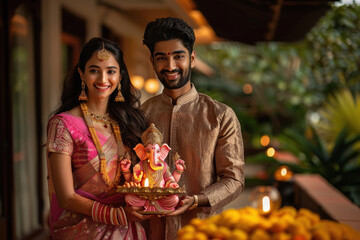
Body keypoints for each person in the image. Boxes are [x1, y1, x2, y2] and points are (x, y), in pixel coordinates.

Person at [140, 17, 245, 239]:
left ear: (193, 58)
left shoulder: (220, 116)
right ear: (152, 61)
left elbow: (234, 179)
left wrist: (197, 200)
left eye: (179, 56)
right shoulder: (141, 115)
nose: (170, 66)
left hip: (202, 231)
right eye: (161, 58)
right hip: (149, 231)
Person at [46, 37, 150, 239]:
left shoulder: (131, 123)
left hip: (129, 228)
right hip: (83, 230)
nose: (103, 79)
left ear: (120, 76)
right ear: (82, 74)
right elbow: (66, 197)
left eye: (111, 71)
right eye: (94, 70)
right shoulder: (62, 124)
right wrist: (116, 215)